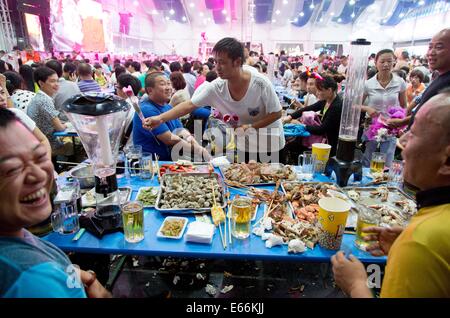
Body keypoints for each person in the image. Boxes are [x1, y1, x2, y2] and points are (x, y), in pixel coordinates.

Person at [332, 90, 450, 298]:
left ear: (447, 161)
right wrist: (401, 246)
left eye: (413, 134)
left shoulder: (422, 243)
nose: (402, 141)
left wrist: (356, 285)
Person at [0, 109, 111, 298]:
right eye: (13, 169)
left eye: (40, 156)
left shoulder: (12, 233)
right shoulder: (32, 279)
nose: (39, 175)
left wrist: (87, 277)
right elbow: (36, 278)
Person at [143, 38, 285, 163]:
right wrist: (160, 119)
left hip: (270, 143)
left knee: (271, 186)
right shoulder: (217, 87)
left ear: (237, 61)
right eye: (215, 62)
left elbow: (277, 113)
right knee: (246, 185)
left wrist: (249, 127)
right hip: (245, 144)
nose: (217, 67)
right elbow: (189, 105)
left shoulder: (260, 84)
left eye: (222, 62)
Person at [133, 72, 209, 161]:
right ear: (150, 90)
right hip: (153, 162)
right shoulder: (146, 109)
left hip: (170, 158)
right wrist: (199, 150)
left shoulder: (168, 107)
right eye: (163, 84)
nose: (168, 88)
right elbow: (169, 139)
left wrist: (193, 142)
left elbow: (181, 130)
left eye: (169, 83)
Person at [390, 28, 450, 130]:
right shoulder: (440, 78)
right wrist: (403, 122)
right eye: (430, 47)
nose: (431, 53)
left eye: (439, 47)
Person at [361, 49, 407, 168]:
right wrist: (367, 108)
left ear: (394, 63)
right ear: (376, 62)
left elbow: (404, 106)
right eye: (382, 61)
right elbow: (356, 105)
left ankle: (382, 185)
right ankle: (365, 185)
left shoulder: (400, 82)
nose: (386, 64)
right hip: (371, 125)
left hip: (390, 126)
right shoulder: (368, 84)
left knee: (387, 160)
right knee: (368, 158)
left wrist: (402, 125)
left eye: (389, 61)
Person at [284, 76, 342, 157]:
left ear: (329, 90)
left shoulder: (336, 106)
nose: (317, 93)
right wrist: (290, 117)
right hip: (320, 139)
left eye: (319, 90)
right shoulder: (326, 101)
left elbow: (322, 129)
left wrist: (301, 125)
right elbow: (308, 108)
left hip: (328, 145)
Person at [26, 67, 69, 156]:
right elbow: (60, 128)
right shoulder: (44, 100)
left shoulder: (39, 97)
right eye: (52, 81)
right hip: (48, 146)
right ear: (41, 83)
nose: (57, 84)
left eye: (57, 81)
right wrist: (68, 124)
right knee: (78, 146)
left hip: (38, 143)